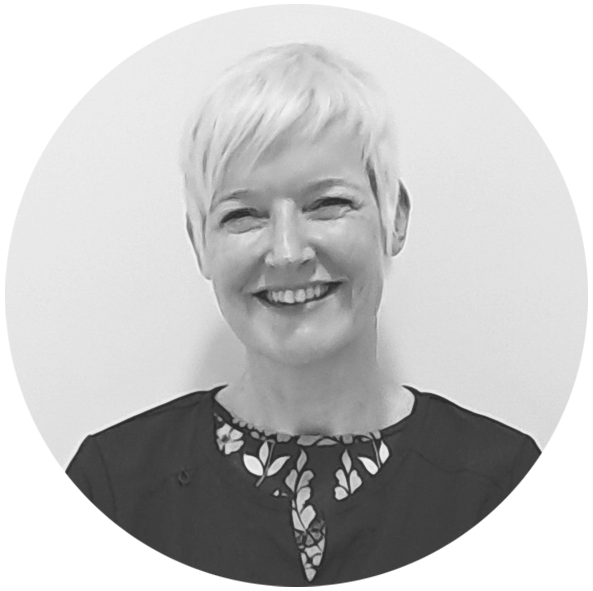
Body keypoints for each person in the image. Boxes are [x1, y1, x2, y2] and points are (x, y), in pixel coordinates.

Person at [28, 43, 586, 586]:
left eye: (328, 204)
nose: (287, 251)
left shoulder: (506, 488)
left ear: (394, 219)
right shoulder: (114, 489)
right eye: (243, 215)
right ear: (199, 244)